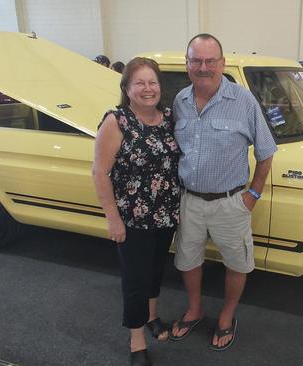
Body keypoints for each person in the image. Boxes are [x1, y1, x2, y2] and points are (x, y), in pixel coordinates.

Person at [170, 33, 277, 351]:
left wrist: (252, 196)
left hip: (231, 203)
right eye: (196, 61)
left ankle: (227, 316)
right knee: (188, 260)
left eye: (209, 61)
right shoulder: (180, 101)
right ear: (187, 64)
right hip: (189, 200)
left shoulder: (242, 100)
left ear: (222, 63)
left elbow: (266, 151)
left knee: (237, 264)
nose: (203, 67)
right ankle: (195, 309)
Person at [92, 57, 180, 366]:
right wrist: (112, 218)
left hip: (167, 213)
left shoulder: (169, 118)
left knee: (156, 270)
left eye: (152, 82)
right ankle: (136, 340)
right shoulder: (117, 121)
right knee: (135, 278)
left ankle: (153, 317)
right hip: (132, 218)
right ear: (127, 88)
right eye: (139, 83)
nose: (147, 88)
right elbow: (100, 173)